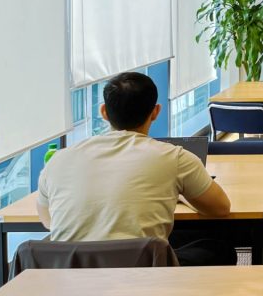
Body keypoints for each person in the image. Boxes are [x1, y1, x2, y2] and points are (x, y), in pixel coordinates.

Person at [37, 72, 235, 266]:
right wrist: (182, 196)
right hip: (145, 279)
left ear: (103, 112)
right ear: (156, 111)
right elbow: (220, 209)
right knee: (219, 248)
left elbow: (49, 220)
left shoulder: (58, 160)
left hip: (70, 282)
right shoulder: (174, 158)